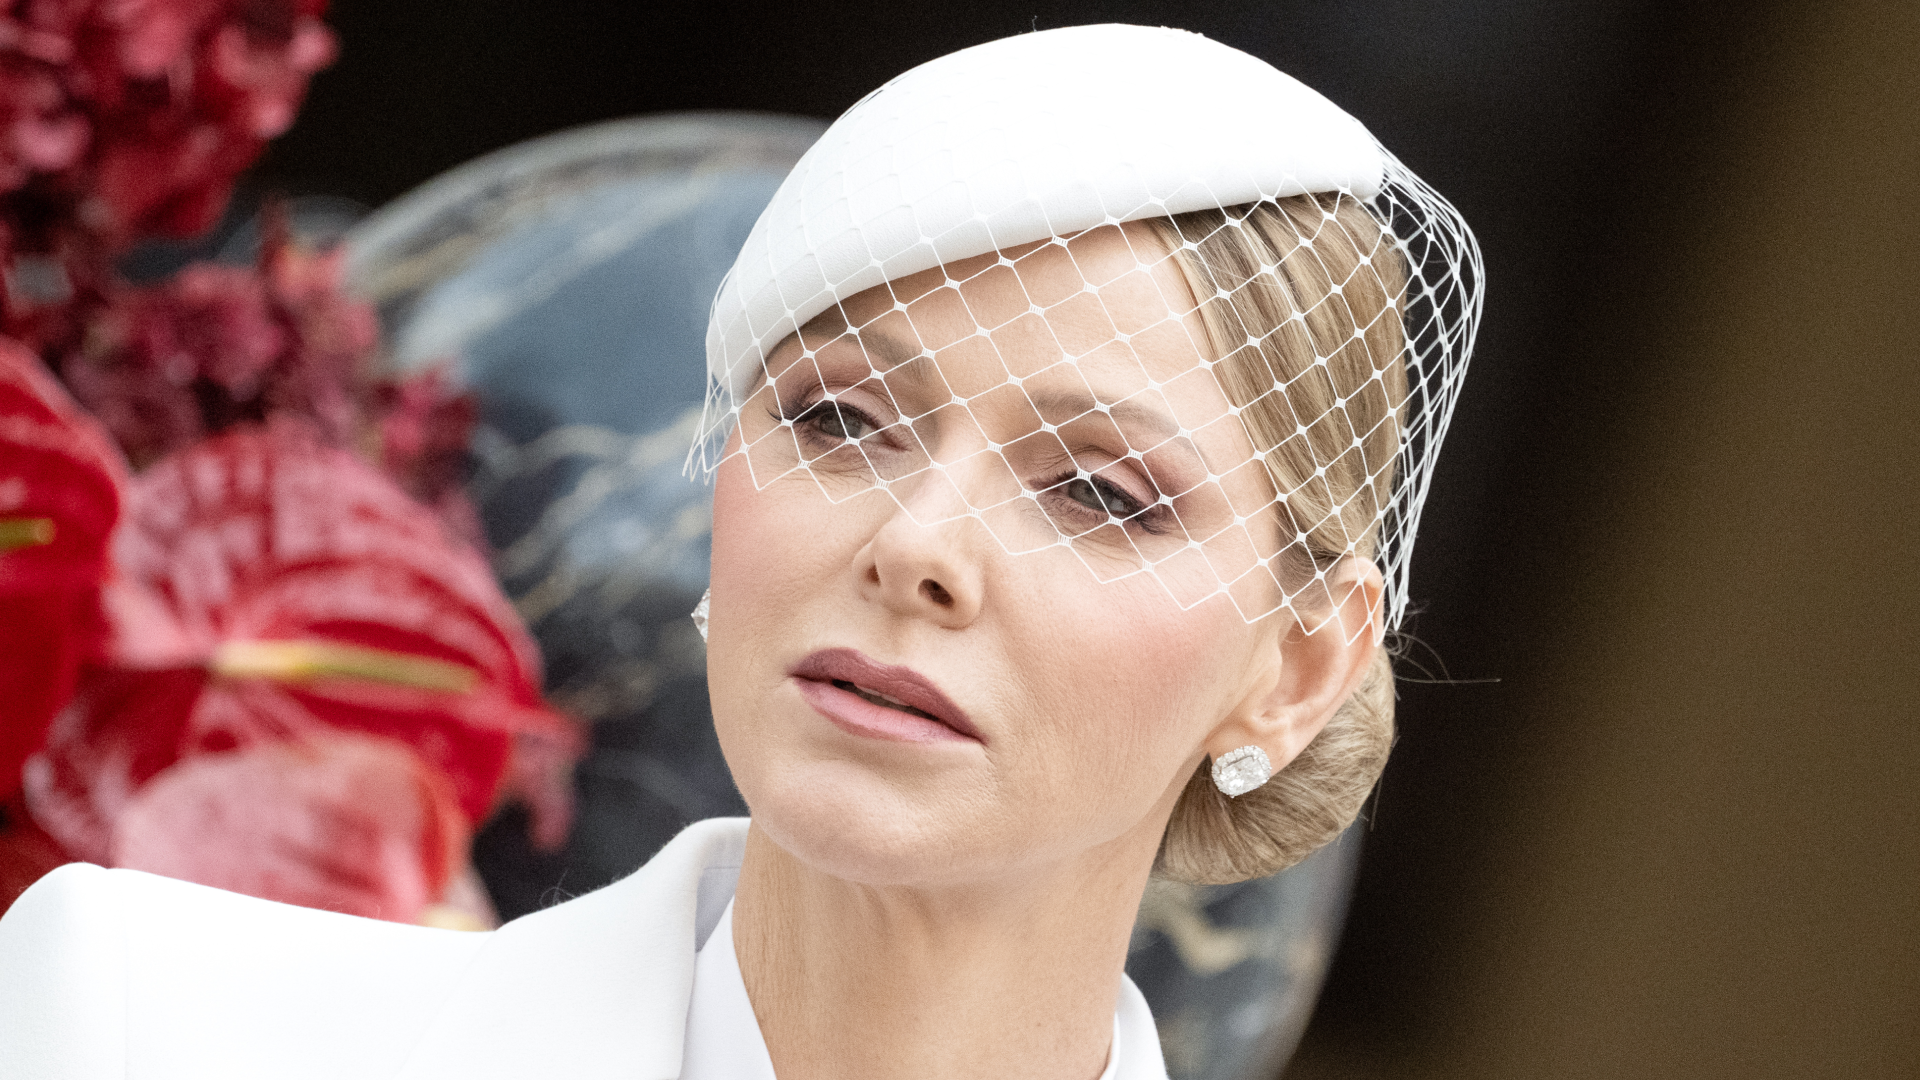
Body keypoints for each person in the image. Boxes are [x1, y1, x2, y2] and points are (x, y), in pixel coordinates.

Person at [0, 23, 1480, 1080]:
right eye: (839, 419)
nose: (917, 549)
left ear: (1297, 669)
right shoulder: (144, 1026)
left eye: (1100, 493)